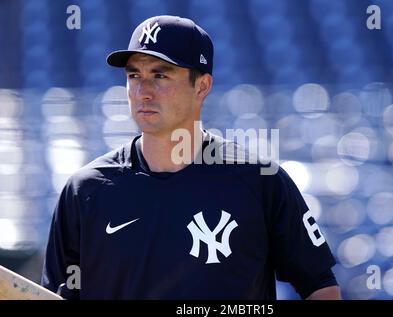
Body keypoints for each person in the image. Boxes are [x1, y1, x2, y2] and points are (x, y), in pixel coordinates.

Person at [41, 15, 341, 300]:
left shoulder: (259, 181)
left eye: (160, 75)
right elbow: (57, 292)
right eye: (134, 75)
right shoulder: (86, 191)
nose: (143, 91)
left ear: (202, 86)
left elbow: (320, 285)